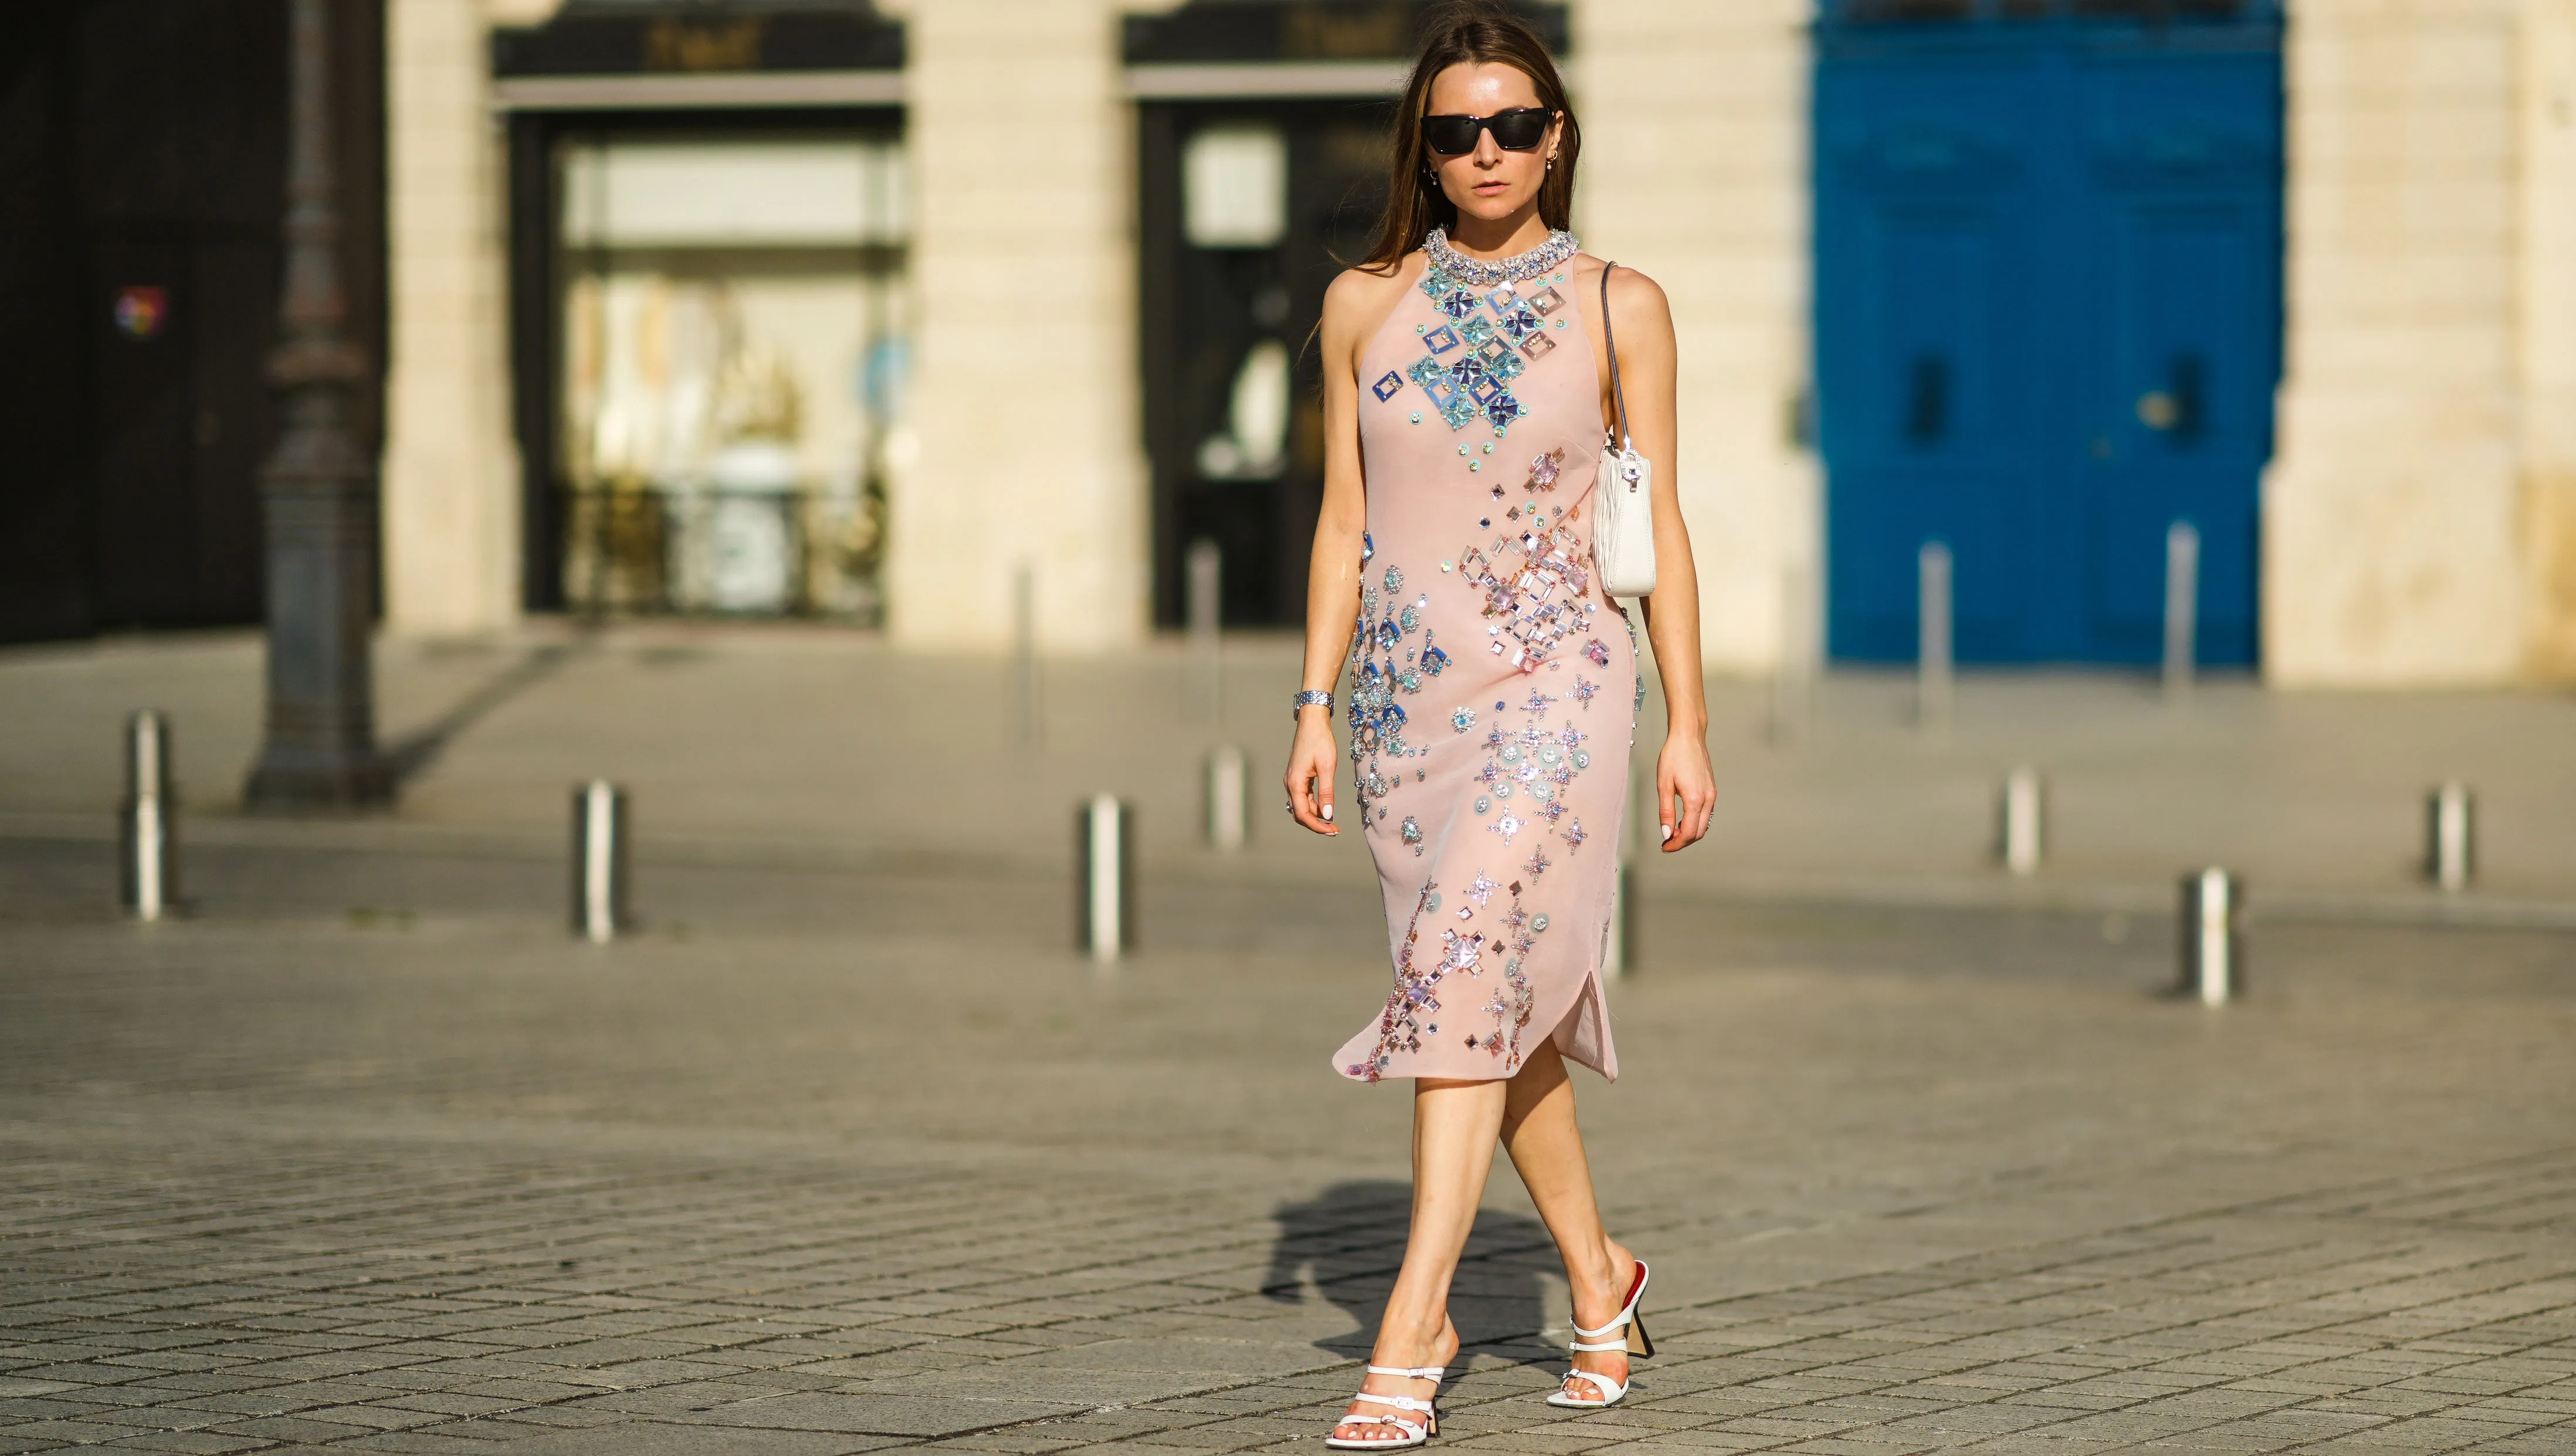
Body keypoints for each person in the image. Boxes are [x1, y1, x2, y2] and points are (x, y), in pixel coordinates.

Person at [1280, 2, 1717, 1447]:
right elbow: (1343, 520)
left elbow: (1659, 520)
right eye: (1456, 129)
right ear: (1426, 144)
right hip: (1409, 701)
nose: (1486, 151)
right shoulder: (1363, 301)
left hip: (1561, 683)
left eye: (1514, 125)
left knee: (1466, 968)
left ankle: (1414, 1327)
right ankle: (1601, 1277)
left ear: (1557, 136)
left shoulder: (1620, 303)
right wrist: (1314, 704)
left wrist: (1687, 724)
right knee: (1490, 1005)